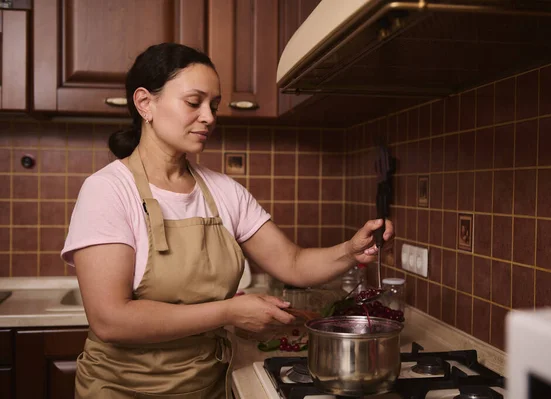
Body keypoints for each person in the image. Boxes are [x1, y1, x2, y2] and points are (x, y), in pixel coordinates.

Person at [61, 42, 394, 399]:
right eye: (194, 102)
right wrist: (230, 311)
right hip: (123, 391)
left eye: (214, 106)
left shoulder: (224, 191)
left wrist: (350, 250)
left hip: (209, 387)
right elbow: (111, 319)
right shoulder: (108, 190)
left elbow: (293, 263)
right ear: (145, 103)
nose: (209, 117)